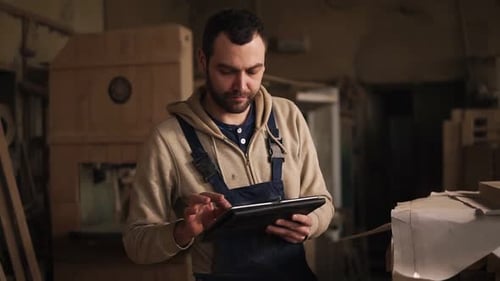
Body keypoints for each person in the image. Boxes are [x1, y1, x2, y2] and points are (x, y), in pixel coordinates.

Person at [123, 8, 334, 281]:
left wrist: (313, 223)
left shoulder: (288, 117)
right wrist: (183, 231)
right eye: (227, 71)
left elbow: (324, 202)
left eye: (253, 71)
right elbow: (136, 244)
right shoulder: (168, 141)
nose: (241, 85)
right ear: (203, 60)